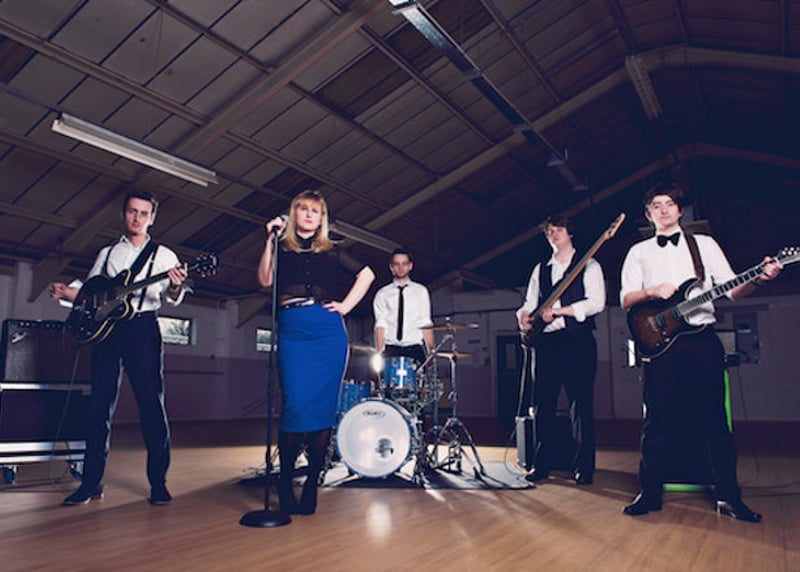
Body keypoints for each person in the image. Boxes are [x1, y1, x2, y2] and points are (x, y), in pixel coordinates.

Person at [619, 181, 782, 522]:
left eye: (669, 204)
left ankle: (728, 497)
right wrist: (653, 291)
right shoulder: (638, 252)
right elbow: (626, 298)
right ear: (648, 215)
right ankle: (649, 493)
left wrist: (759, 278)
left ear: (680, 210)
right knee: (656, 421)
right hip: (660, 345)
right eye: (656, 206)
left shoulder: (704, 245)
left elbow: (733, 290)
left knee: (715, 421)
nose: (663, 210)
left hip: (701, 341)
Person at [50, 191, 188, 506]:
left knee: (151, 405)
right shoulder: (108, 253)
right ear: (124, 214)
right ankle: (90, 484)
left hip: (142, 329)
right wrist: (68, 293)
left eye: (143, 213)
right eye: (132, 211)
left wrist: (176, 284)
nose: (137, 218)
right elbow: (92, 294)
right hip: (107, 332)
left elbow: (173, 297)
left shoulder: (164, 255)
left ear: (152, 218)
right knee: (98, 407)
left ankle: (158, 483)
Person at [257, 190, 375, 515]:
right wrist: (269, 239)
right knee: (294, 405)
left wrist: (346, 306)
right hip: (293, 331)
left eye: (316, 211)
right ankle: (285, 482)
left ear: (322, 218)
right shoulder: (280, 247)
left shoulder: (333, 250)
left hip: (328, 332)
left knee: (323, 410)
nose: (309, 215)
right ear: (293, 213)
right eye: (303, 209)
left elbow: (367, 274)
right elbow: (265, 280)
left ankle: (311, 483)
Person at [516, 216, 606, 486]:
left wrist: (560, 311)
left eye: (559, 230)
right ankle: (541, 465)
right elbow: (530, 302)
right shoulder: (540, 269)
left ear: (570, 233)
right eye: (550, 231)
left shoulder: (589, 264)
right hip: (546, 344)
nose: (554, 234)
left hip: (577, 341)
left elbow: (597, 302)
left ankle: (584, 468)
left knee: (581, 405)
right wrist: (523, 315)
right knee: (543, 405)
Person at [373, 248, 434, 367]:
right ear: (391, 267)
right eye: (397, 264)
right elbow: (380, 324)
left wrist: (431, 352)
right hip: (391, 349)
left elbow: (425, 321)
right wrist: (379, 352)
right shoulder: (382, 294)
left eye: (404, 264)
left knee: (419, 379)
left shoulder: (421, 291)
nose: (401, 268)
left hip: (414, 348)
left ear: (410, 266)